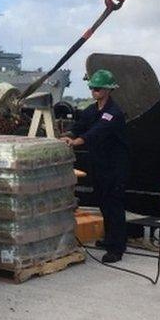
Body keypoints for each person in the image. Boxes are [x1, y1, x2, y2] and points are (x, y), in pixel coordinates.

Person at [61, 69, 129, 263]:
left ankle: (117, 247)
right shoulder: (92, 110)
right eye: (92, 87)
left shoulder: (113, 113)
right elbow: (80, 126)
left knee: (114, 205)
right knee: (103, 203)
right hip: (99, 165)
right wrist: (68, 135)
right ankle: (109, 238)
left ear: (108, 90)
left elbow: (98, 132)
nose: (94, 91)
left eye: (98, 88)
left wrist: (78, 141)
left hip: (115, 167)